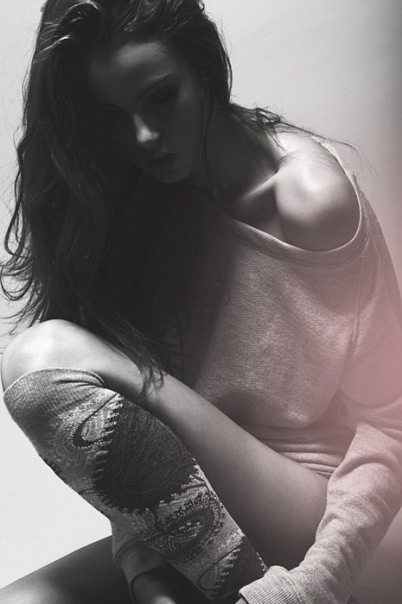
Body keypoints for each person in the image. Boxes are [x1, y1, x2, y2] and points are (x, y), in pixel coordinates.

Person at [1, 0, 402, 603]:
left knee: (41, 358)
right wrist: (143, 571)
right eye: (114, 117)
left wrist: (311, 587)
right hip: (201, 525)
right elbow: (136, 444)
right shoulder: (143, 200)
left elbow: (391, 427)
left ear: (205, 68)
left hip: (321, 516)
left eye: (162, 97)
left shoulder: (307, 198)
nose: (143, 136)